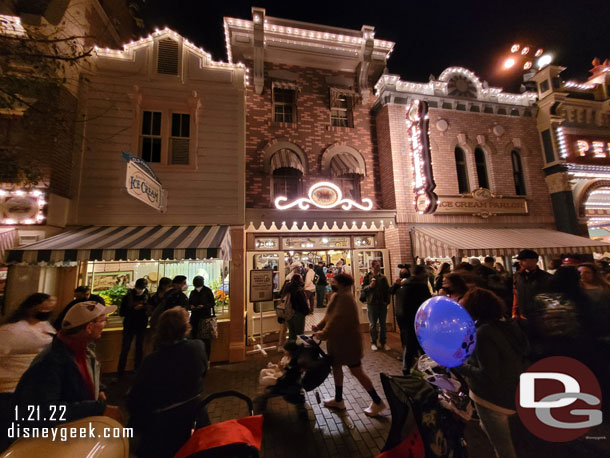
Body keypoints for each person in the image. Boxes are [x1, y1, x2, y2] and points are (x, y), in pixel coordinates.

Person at [14, 301, 123, 426]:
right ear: (89, 327)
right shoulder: (51, 363)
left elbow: (80, 378)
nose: (105, 324)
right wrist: (96, 408)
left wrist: (98, 388)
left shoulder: (82, 349)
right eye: (103, 320)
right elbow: (41, 411)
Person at [454, 288, 529, 458]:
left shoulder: (484, 333)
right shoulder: (507, 325)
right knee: (491, 429)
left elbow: (487, 374)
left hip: (491, 398)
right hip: (512, 390)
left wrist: (457, 365)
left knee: (503, 447)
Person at [127, 307, 208, 458]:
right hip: (195, 419)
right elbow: (204, 372)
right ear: (185, 327)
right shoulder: (197, 347)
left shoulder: (151, 361)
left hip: (162, 429)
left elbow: (135, 400)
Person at [313, 273, 387, 417]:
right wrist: (319, 325)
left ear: (343, 284)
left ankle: (377, 402)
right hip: (338, 343)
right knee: (337, 368)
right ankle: (339, 399)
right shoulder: (337, 296)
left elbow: (336, 321)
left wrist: (322, 334)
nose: (331, 283)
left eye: (334, 281)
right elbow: (329, 316)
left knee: (357, 371)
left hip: (347, 344)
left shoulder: (346, 299)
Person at [0, 293, 57, 394]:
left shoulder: (45, 326)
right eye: (44, 308)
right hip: (12, 388)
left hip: (37, 386)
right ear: (32, 307)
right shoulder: (12, 331)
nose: (47, 311)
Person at [391, 265, 431, 374]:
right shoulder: (420, 285)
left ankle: (408, 367)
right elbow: (428, 302)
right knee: (418, 344)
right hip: (416, 318)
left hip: (402, 318)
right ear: (421, 273)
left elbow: (391, 292)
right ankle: (422, 368)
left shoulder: (402, 284)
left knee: (408, 343)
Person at [117, 278, 149, 378]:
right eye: (140, 288)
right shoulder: (128, 297)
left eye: (142, 288)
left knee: (139, 348)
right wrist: (133, 309)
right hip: (130, 324)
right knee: (125, 348)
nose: (141, 290)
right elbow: (122, 312)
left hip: (141, 325)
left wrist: (144, 308)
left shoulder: (148, 296)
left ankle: (137, 370)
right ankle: (120, 372)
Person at [512, 249, 551, 320]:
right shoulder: (518, 276)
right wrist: (514, 312)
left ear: (535, 260)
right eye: (519, 260)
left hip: (540, 317)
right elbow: (516, 294)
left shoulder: (546, 277)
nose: (520, 263)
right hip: (522, 316)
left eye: (524, 260)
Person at [362, 259, 391, 351]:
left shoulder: (382, 277)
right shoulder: (367, 277)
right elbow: (363, 289)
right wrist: (369, 286)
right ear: (372, 267)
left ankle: (383, 342)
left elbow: (387, 290)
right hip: (372, 304)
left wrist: (387, 301)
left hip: (382, 304)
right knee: (373, 324)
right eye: (376, 266)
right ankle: (373, 342)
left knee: (383, 324)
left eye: (379, 266)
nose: (378, 267)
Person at [188, 275, 216, 360]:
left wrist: (203, 306)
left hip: (205, 318)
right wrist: (191, 306)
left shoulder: (207, 291)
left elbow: (212, 303)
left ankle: (207, 359)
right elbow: (189, 303)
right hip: (195, 318)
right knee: (195, 338)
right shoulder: (193, 292)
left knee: (206, 340)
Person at [282, 273, 309, 342]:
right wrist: (306, 312)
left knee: (292, 333)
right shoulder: (299, 290)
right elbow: (303, 304)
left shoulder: (287, 288)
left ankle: (290, 350)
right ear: (299, 280)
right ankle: (298, 350)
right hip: (298, 314)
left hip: (289, 313)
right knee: (299, 334)